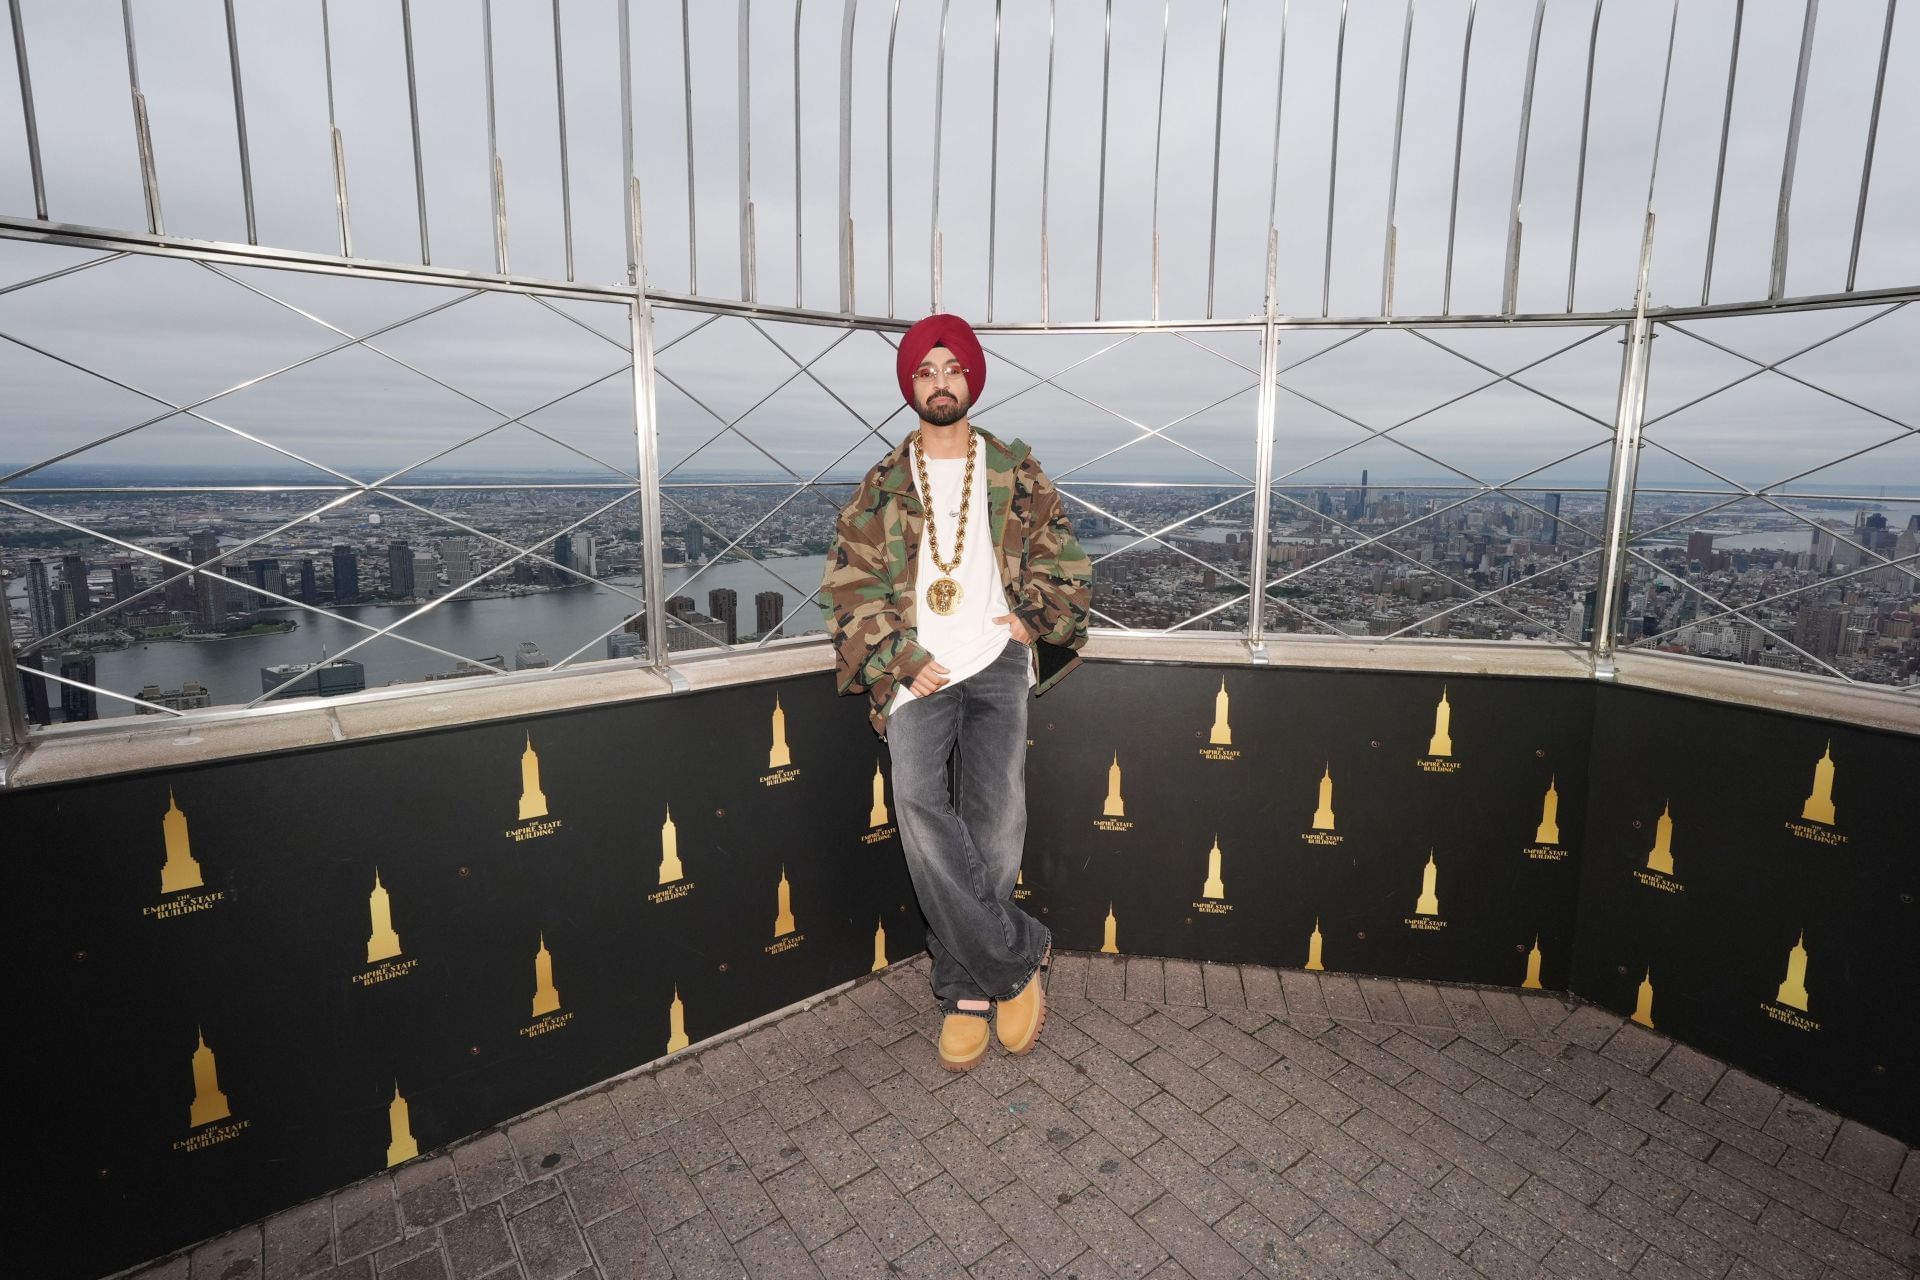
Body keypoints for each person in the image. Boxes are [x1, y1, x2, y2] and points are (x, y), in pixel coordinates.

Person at [822, 313, 1093, 1071]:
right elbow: (849, 584)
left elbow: (1063, 555)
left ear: (972, 377)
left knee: (996, 817)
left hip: (997, 659)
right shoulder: (882, 482)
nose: (940, 381)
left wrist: (1030, 618)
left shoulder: (1014, 465)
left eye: (951, 368)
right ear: (911, 386)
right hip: (919, 670)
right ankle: (1014, 956)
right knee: (916, 804)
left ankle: (965, 988)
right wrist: (901, 657)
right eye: (925, 370)